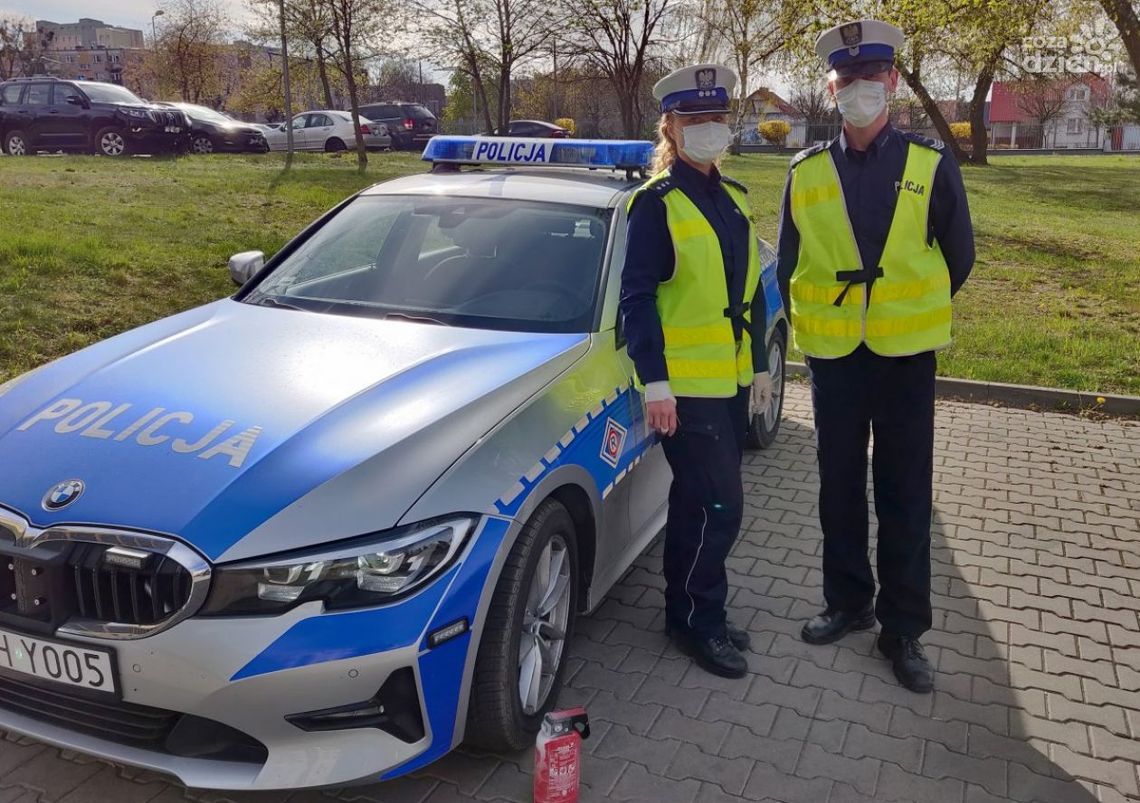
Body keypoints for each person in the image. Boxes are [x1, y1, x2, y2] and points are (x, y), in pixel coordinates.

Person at [776, 20, 975, 693]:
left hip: (904, 360)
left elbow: (960, 256)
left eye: (871, 76)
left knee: (904, 493)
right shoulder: (805, 171)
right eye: (847, 78)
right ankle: (847, 602)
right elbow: (789, 261)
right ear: (832, 87)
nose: (859, 88)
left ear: (891, 81)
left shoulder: (929, 163)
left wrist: (901, 310)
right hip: (835, 358)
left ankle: (903, 629)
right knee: (837, 486)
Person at [619, 63, 773, 679]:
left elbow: (750, 289)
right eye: (694, 117)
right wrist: (655, 382)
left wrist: (760, 367)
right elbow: (636, 298)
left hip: (729, 380)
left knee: (694, 503)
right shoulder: (655, 204)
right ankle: (702, 624)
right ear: (671, 127)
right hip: (684, 390)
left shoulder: (733, 197)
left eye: (717, 116)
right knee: (719, 507)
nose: (709, 126)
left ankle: (685, 613)